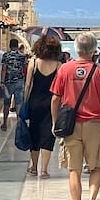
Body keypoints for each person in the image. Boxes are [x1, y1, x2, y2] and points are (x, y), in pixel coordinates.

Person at [50, 31, 100, 200]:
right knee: (96, 167)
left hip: (71, 126)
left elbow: (55, 98)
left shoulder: (64, 70)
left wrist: (55, 122)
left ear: (76, 49)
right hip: (94, 124)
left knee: (74, 170)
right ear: (94, 50)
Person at [24, 35, 60, 178]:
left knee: (34, 132)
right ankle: (44, 170)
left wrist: (25, 102)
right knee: (48, 135)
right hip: (51, 103)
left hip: (35, 102)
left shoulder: (33, 62)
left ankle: (33, 167)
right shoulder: (59, 65)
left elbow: (28, 85)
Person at [1, 38, 28, 130]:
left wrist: (2, 81)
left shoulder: (6, 55)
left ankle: (4, 123)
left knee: (6, 103)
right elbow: (26, 68)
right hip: (20, 81)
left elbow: (4, 69)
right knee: (19, 103)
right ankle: (19, 124)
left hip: (8, 82)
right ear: (17, 46)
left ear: (10, 45)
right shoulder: (22, 56)